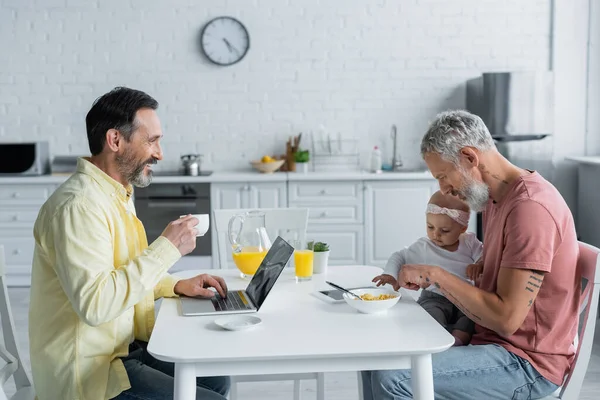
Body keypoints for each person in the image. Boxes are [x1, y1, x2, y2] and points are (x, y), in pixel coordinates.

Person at [29, 87, 231, 400]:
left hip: (121, 348)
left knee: (215, 377)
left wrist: (175, 285)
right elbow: (97, 304)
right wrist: (167, 247)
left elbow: (121, 274)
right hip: (88, 375)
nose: (160, 153)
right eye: (152, 140)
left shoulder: (115, 192)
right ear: (115, 141)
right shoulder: (78, 206)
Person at [362, 110, 579, 399]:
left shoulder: (530, 209)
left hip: (525, 363)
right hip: (489, 341)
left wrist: (436, 274)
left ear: (468, 157)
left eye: (443, 176)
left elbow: (506, 319)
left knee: (394, 377)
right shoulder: (495, 199)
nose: (443, 189)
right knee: (374, 356)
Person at [373, 190, 483, 346]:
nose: (435, 234)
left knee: (472, 317)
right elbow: (399, 256)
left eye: (444, 231)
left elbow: (484, 255)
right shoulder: (424, 246)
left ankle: (458, 342)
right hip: (435, 297)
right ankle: (435, 340)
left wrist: (479, 264)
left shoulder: (470, 242)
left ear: (462, 228)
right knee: (431, 316)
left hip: (463, 297)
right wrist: (390, 274)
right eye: (430, 227)